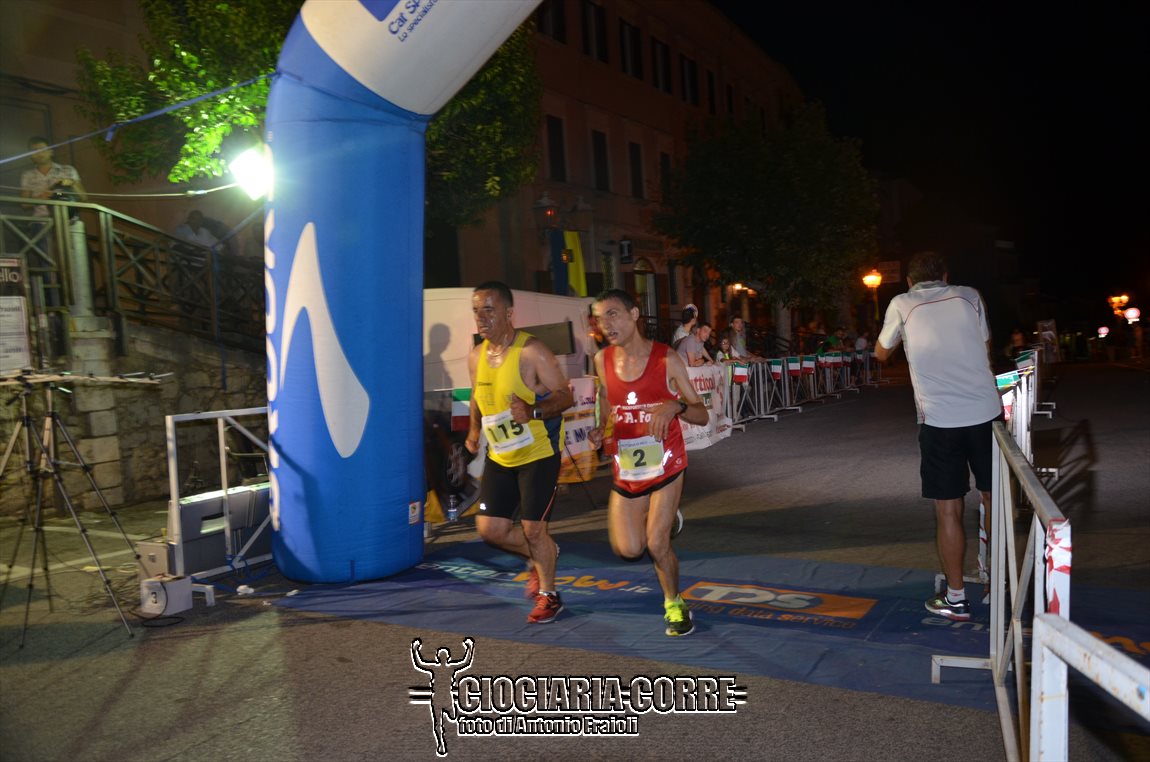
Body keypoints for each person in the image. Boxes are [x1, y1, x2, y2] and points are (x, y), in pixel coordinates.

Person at [874, 250, 1003, 622]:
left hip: (939, 419)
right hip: (985, 411)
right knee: (995, 500)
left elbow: (881, 353)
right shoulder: (970, 296)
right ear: (946, 276)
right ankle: (999, 585)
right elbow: (986, 345)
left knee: (948, 508)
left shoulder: (902, 303)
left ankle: (957, 598)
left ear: (910, 281)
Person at [588, 289, 709, 637]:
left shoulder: (666, 359)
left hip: (666, 463)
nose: (605, 324)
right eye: (599, 318)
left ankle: (674, 603)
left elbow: (701, 414)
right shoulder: (601, 360)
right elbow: (606, 401)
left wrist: (676, 406)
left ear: (634, 313)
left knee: (656, 544)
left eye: (612, 314)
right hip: (628, 467)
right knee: (628, 549)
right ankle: (665, 518)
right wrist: (600, 428)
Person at [465, 281, 574, 624]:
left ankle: (550, 595)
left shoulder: (532, 351)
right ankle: (543, 555)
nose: (481, 318)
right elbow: (475, 396)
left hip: (538, 453)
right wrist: (473, 431)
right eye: (476, 311)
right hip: (500, 454)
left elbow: (566, 396)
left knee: (533, 529)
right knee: (490, 530)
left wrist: (533, 411)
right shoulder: (476, 355)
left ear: (509, 313)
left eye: (489, 310)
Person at [20, 136, 87, 218]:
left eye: (43, 149)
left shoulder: (68, 170)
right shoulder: (27, 175)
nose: (40, 153)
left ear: (51, 152)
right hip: (41, 221)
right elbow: (24, 204)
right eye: (35, 151)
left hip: (70, 220)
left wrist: (72, 183)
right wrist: (42, 197)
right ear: (30, 155)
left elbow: (84, 197)